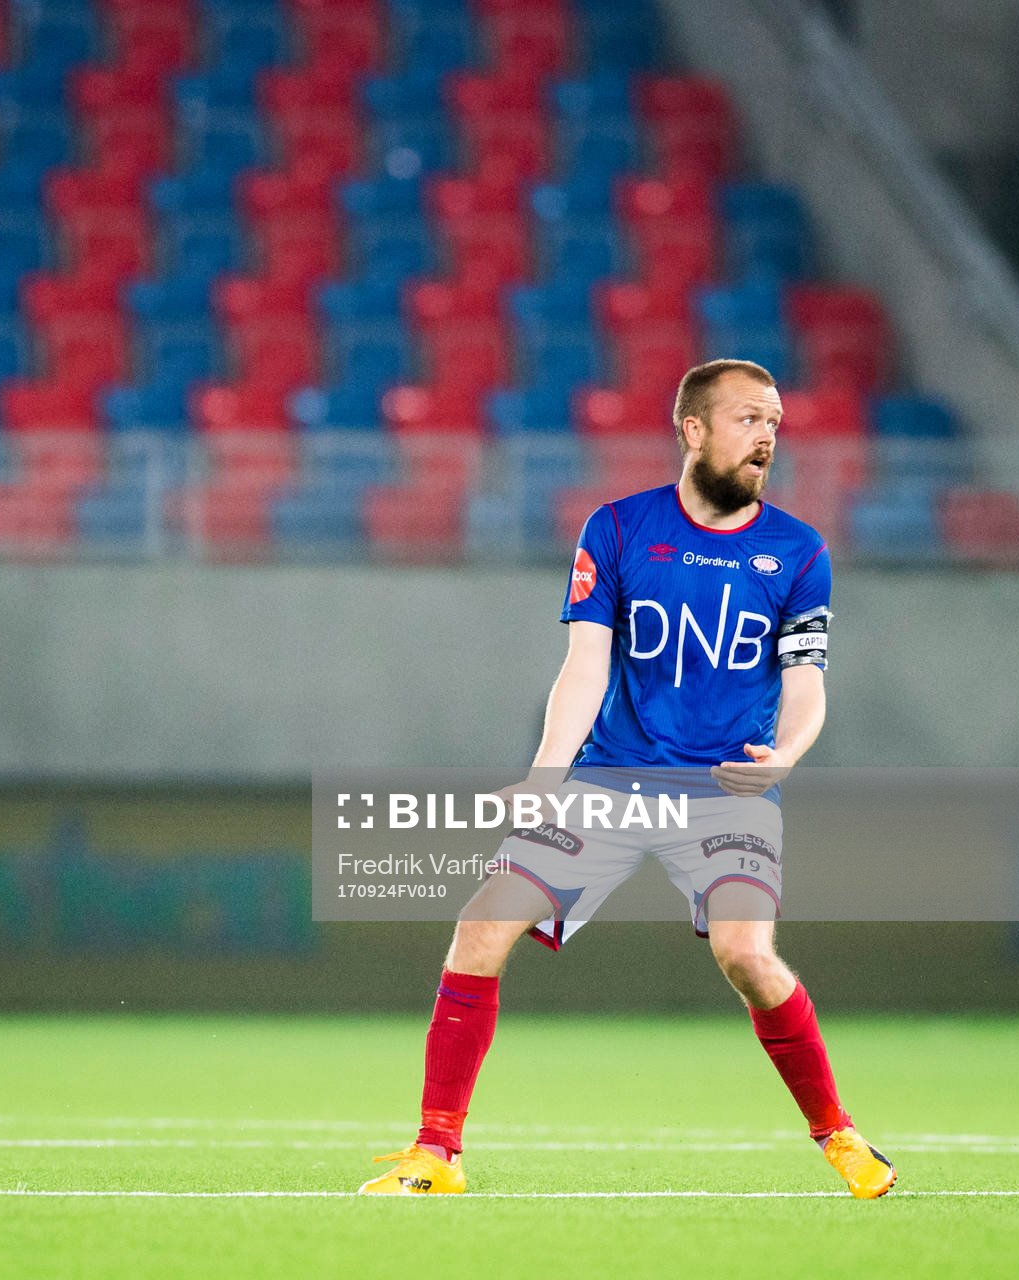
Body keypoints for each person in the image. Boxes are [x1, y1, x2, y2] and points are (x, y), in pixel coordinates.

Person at [360, 359, 896, 1199]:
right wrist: (547, 773)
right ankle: (436, 1154)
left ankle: (842, 1139)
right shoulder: (614, 530)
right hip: (609, 780)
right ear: (693, 429)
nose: (768, 436)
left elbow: (806, 684)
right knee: (481, 927)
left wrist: (787, 754)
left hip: (729, 788)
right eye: (750, 418)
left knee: (747, 954)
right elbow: (584, 666)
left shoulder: (798, 552)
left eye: (775, 422)